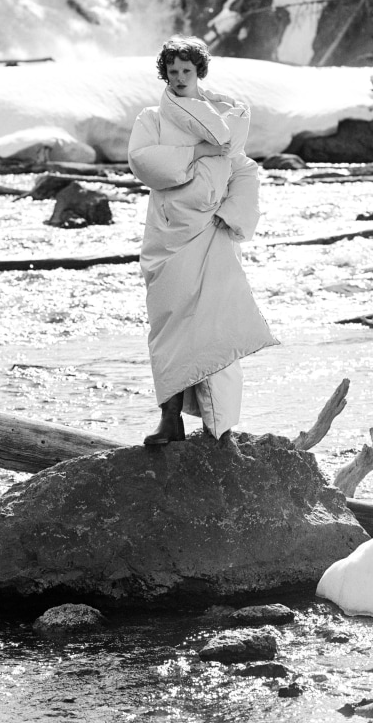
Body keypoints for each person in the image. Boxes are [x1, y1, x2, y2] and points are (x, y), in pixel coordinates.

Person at [127, 35, 277, 445]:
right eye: (171, 71)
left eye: (186, 71)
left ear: (199, 72)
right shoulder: (151, 120)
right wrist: (197, 151)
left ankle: (220, 428)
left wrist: (231, 215)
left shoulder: (226, 117)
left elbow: (243, 168)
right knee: (169, 326)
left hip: (211, 234)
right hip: (168, 235)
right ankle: (170, 420)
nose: (178, 78)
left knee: (216, 328)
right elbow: (144, 162)